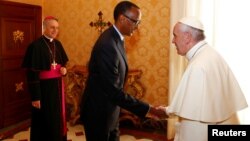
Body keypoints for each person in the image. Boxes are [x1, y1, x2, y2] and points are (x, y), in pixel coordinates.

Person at [80, 1, 165, 141]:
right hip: (99, 114)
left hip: (110, 110)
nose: (137, 26)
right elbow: (113, 91)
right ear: (122, 19)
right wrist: (148, 109)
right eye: (136, 22)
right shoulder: (107, 44)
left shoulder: (117, 38)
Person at [157, 17, 248, 141]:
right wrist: (168, 111)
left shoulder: (198, 67)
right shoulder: (210, 54)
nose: (173, 41)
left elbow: (194, 125)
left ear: (187, 37)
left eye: (175, 36)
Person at [22, 16, 69, 141]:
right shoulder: (35, 46)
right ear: (44, 28)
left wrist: (63, 70)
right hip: (43, 90)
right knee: (45, 119)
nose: (55, 30)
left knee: (57, 117)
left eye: (57, 28)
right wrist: (35, 97)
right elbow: (32, 73)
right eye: (52, 27)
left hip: (58, 88)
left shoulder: (58, 44)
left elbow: (62, 64)